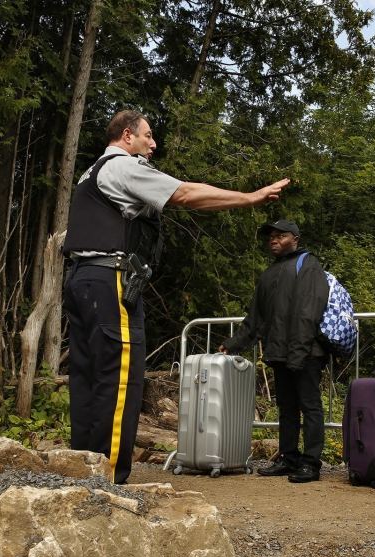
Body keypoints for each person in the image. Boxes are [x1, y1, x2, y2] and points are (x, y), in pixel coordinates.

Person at [62, 110, 289, 485]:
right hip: (109, 280)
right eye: (148, 135)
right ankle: (107, 480)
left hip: (81, 280)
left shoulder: (92, 171)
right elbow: (184, 193)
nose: (153, 144)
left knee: (86, 381)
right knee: (118, 380)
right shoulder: (123, 166)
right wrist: (250, 198)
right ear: (127, 135)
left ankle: (82, 472)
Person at [218, 220, 330, 483]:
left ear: (295, 239)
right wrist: (234, 343)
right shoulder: (269, 273)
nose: (274, 240)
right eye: (271, 237)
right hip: (280, 352)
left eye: (281, 236)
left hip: (307, 351)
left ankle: (311, 464)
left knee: (310, 406)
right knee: (287, 408)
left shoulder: (308, 264)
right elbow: (257, 317)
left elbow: (309, 311)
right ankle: (289, 458)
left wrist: (299, 353)